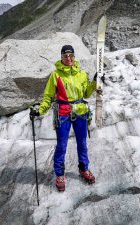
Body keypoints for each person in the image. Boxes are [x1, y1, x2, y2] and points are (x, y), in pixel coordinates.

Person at [30, 45, 98, 192]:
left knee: (82, 142)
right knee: (62, 144)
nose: (69, 58)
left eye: (71, 55)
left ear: (74, 56)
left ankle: (83, 169)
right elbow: (48, 96)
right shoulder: (56, 75)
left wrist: (94, 83)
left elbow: (86, 93)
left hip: (80, 111)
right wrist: (40, 110)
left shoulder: (81, 73)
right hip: (63, 113)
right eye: (65, 56)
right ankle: (60, 174)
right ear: (61, 57)